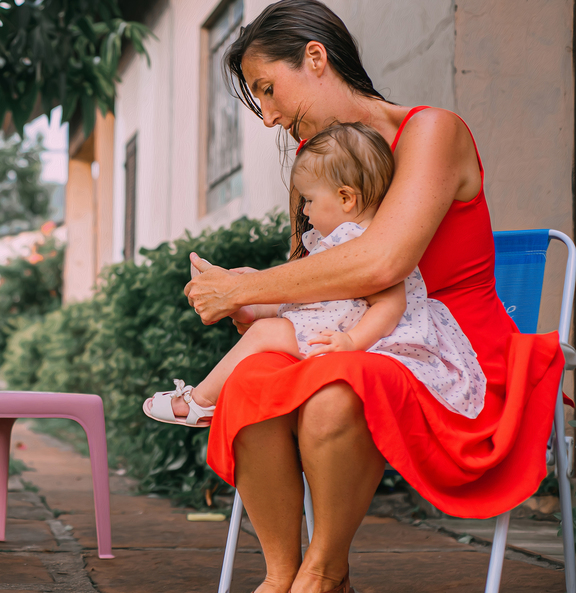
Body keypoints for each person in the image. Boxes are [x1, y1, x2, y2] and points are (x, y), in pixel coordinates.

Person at [184, 0, 563, 593]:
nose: (269, 115)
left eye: (269, 90)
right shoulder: (324, 164)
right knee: (253, 381)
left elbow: (382, 260)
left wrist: (248, 286)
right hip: (356, 343)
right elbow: (320, 287)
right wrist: (255, 299)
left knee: (334, 386)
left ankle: (325, 571)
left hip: (451, 359)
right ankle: (280, 575)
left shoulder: (431, 131)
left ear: (316, 56)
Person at [144, 123, 486, 434]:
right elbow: (309, 298)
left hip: (372, 342)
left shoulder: (369, 242)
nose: (304, 211)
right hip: (334, 331)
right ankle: (239, 336)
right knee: (264, 326)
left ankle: (200, 401)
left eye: (309, 200)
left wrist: (353, 341)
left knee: (266, 334)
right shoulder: (335, 242)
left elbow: (391, 303)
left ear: (346, 198)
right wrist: (250, 297)